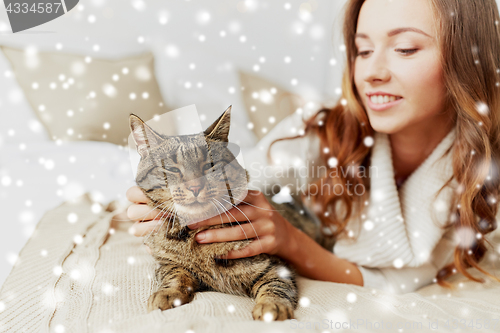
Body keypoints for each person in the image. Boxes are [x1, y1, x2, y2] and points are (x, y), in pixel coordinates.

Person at [125, 0, 500, 294]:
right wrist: (155, 198)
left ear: (468, 57)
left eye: (404, 48)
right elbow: (249, 173)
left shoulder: (479, 177)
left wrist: (291, 241)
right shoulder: (318, 131)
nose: (371, 72)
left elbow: (398, 281)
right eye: (363, 50)